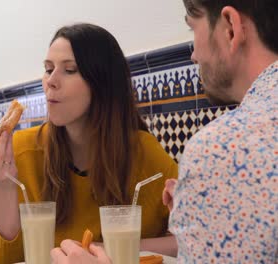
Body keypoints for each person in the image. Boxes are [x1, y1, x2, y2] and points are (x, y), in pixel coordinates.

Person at [52, 1, 278, 263]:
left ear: (230, 27)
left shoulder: (221, 149)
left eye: (193, 29)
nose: (194, 55)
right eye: (49, 69)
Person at [0, 23, 178, 264]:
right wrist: (0, 185)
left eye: (70, 70)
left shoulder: (143, 152)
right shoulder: (23, 150)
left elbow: (188, 239)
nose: (50, 82)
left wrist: (109, 248)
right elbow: (4, 260)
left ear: (102, 83)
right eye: (48, 69)